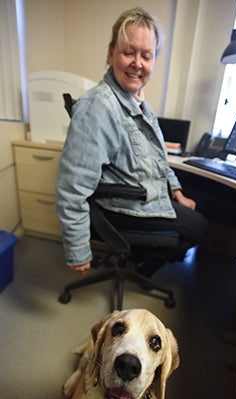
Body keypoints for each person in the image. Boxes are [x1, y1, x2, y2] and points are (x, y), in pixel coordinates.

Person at [56, 7, 209, 275]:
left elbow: (159, 160)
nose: (138, 63)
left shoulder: (142, 107)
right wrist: (78, 248)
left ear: (154, 62)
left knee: (200, 207)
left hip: (147, 197)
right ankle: (146, 261)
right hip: (121, 209)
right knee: (199, 227)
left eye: (146, 56)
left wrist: (177, 192)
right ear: (110, 53)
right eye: (129, 52)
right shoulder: (98, 107)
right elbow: (72, 187)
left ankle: (144, 262)